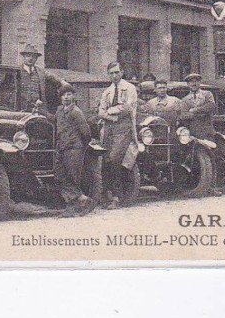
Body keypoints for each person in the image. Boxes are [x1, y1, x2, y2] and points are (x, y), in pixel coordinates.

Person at [97, 61, 139, 209]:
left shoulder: (130, 88)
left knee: (115, 158)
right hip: (109, 128)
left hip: (124, 128)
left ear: (122, 72)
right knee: (105, 159)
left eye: (116, 72)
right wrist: (110, 116)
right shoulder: (107, 92)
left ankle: (117, 196)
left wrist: (110, 111)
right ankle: (106, 194)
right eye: (111, 73)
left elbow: (128, 107)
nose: (114, 76)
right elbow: (100, 112)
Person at [54, 83, 97, 217]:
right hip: (62, 147)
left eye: (69, 94)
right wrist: (39, 111)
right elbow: (53, 119)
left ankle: (71, 207)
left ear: (73, 96)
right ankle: (83, 199)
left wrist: (80, 147)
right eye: (63, 95)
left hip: (73, 149)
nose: (66, 97)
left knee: (72, 177)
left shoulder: (76, 112)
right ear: (60, 97)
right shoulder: (60, 110)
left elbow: (86, 132)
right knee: (60, 176)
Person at [179, 73, 217, 138]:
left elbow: (211, 106)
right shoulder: (185, 99)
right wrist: (201, 113)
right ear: (188, 84)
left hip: (208, 131)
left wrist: (194, 110)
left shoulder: (207, 94)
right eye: (191, 82)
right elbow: (183, 115)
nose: (194, 84)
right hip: (193, 132)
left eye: (196, 81)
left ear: (199, 83)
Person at [17, 44, 49, 113]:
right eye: (28, 56)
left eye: (33, 56)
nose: (31, 58)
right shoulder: (17, 71)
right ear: (24, 57)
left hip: (36, 108)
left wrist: (62, 82)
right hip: (19, 108)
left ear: (36, 58)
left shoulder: (40, 72)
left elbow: (51, 76)